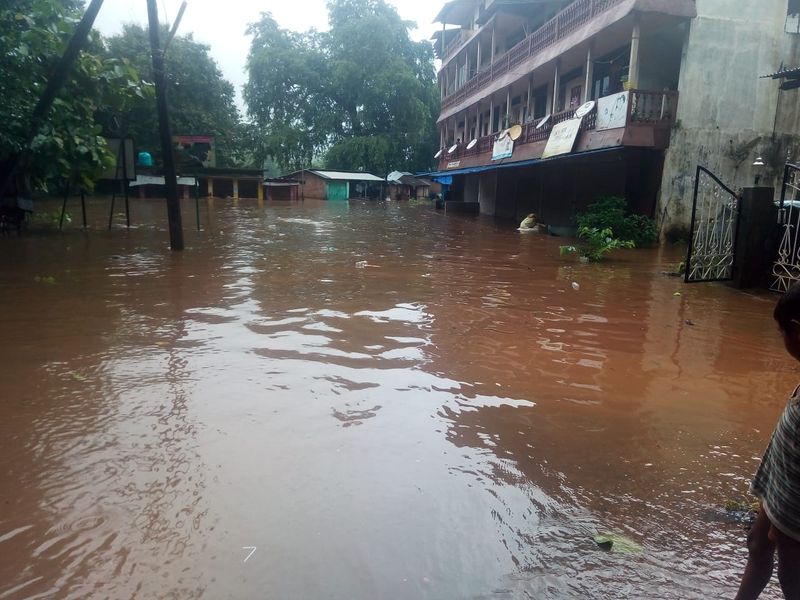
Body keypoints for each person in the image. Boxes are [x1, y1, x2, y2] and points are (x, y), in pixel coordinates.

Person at [735, 284, 800, 600]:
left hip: (796, 503)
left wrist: (783, 525)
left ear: (797, 332)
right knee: (758, 544)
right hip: (781, 484)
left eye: (782, 332)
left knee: (793, 578)